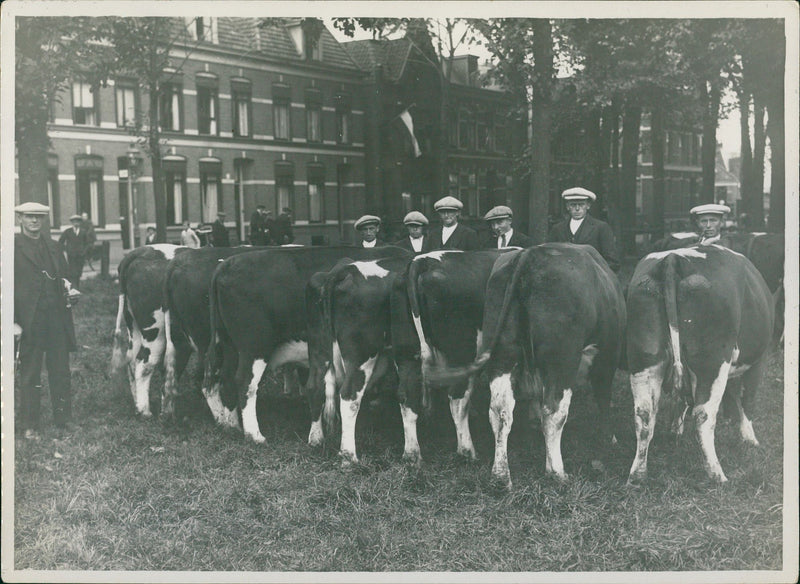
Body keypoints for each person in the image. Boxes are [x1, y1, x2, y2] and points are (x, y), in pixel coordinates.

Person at [14, 202, 80, 438]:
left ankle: (64, 419)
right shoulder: (12, 247)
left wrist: (70, 290)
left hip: (56, 319)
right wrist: (13, 322)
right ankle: (29, 424)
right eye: (30, 217)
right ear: (20, 218)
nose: (34, 222)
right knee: (30, 373)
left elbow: (64, 277)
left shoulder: (53, 247)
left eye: (39, 218)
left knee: (60, 370)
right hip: (29, 321)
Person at [548, 187, 619, 272]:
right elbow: (549, 257)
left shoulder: (601, 227)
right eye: (573, 205)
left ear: (588, 206)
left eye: (581, 204)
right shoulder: (557, 229)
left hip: (591, 280)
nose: (577, 209)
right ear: (567, 206)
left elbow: (612, 262)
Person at [58, 214, 91, 289]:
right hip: (71, 255)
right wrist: (66, 249)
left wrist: (84, 251)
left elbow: (88, 243)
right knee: (72, 272)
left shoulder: (83, 232)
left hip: (81, 255)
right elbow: (61, 241)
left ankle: (77, 287)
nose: (76, 223)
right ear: (72, 223)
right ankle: (73, 288)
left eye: (78, 222)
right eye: (74, 222)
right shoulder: (68, 231)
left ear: (80, 223)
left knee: (79, 272)